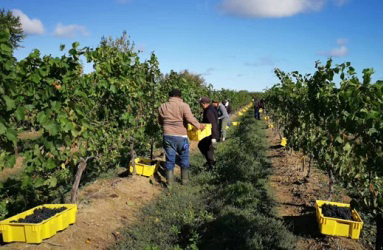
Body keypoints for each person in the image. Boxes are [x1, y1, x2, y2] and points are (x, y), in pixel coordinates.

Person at [158, 89, 203, 185]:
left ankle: (169, 183)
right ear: (179, 96)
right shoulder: (184, 105)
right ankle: (184, 181)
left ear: (170, 96)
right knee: (184, 156)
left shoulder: (162, 106)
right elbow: (190, 118)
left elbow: (160, 121)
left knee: (169, 158)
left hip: (167, 136)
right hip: (181, 136)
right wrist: (199, 126)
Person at [198, 97, 219, 170]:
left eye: (200, 104)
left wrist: (213, 137)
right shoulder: (211, 108)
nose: (200, 105)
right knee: (202, 146)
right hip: (209, 133)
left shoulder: (209, 111)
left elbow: (213, 124)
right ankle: (210, 163)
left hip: (210, 134)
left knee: (208, 150)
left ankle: (212, 166)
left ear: (203, 103)